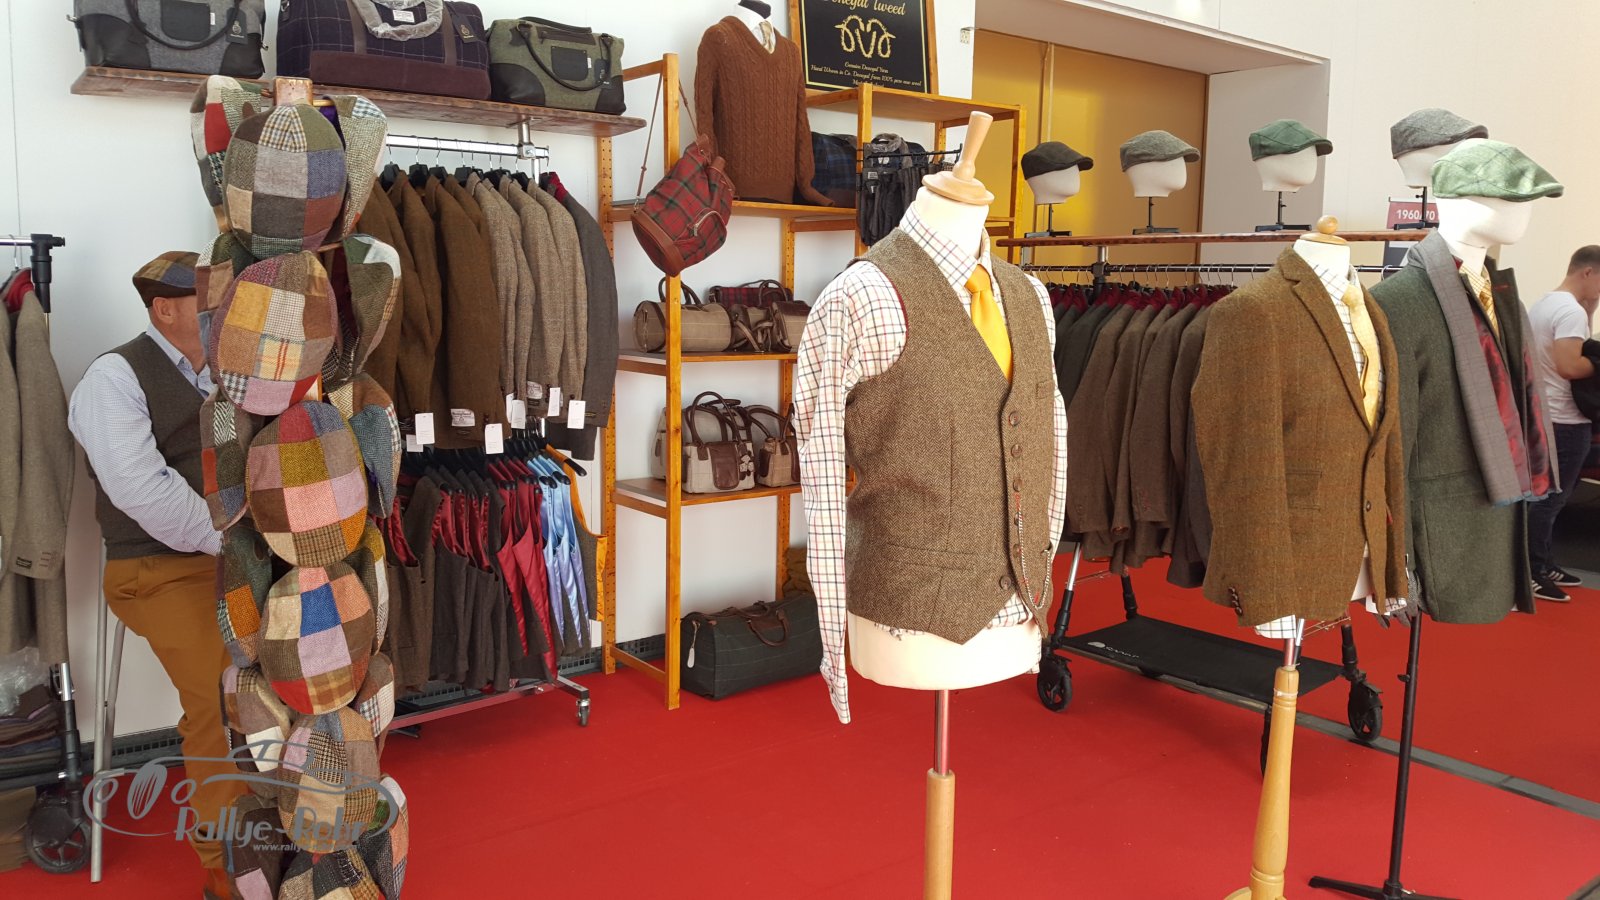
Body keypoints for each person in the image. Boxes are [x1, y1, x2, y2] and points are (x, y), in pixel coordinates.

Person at [67, 252, 241, 899]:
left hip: (229, 555)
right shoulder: (113, 377)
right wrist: (230, 541)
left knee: (296, 658)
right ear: (165, 309)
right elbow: (141, 488)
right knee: (223, 692)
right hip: (154, 567)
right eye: (207, 303)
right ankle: (229, 868)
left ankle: (293, 824)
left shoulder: (225, 372)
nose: (221, 313)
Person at [1526, 244, 1600, 602]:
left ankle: (1541, 563)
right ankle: (1533, 570)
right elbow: (1569, 365)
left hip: (1545, 413)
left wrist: (1590, 308)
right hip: (1566, 420)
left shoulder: (1546, 303)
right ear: (1588, 272)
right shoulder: (1570, 311)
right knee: (1551, 499)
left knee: (1544, 496)